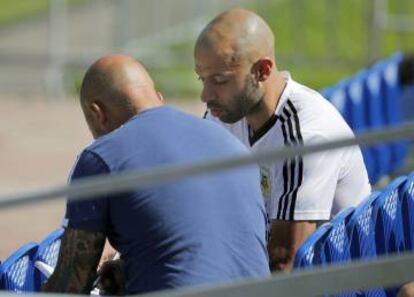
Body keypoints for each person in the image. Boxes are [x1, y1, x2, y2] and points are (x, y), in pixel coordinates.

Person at [42, 54, 270, 294]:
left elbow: (71, 285)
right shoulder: (229, 142)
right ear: (157, 98)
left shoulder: (100, 158)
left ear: (97, 113)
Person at [194, 8, 371, 271]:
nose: (205, 95)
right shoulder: (225, 115)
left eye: (220, 80)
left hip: (336, 281)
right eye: (202, 79)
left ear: (262, 70)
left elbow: (286, 262)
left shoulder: (307, 134)